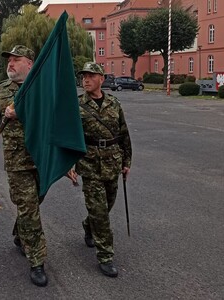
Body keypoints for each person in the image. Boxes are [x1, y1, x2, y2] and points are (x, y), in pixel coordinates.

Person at [0, 45, 48, 287]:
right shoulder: (1, 90)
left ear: (30, 63)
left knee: (34, 203)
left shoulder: (43, 87)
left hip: (42, 158)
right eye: (9, 60)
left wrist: (23, 113)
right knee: (29, 208)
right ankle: (37, 261)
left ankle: (20, 234)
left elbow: (52, 119)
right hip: (17, 161)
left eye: (16, 60)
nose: (11, 64)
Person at [68, 62, 132, 278]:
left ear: (101, 79)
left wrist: (127, 162)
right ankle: (105, 256)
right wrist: (69, 164)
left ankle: (89, 225)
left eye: (90, 76)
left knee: (108, 205)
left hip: (112, 162)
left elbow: (123, 134)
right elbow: (68, 137)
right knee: (100, 212)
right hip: (90, 165)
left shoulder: (114, 103)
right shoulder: (76, 105)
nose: (85, 80)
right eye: (83, 76)